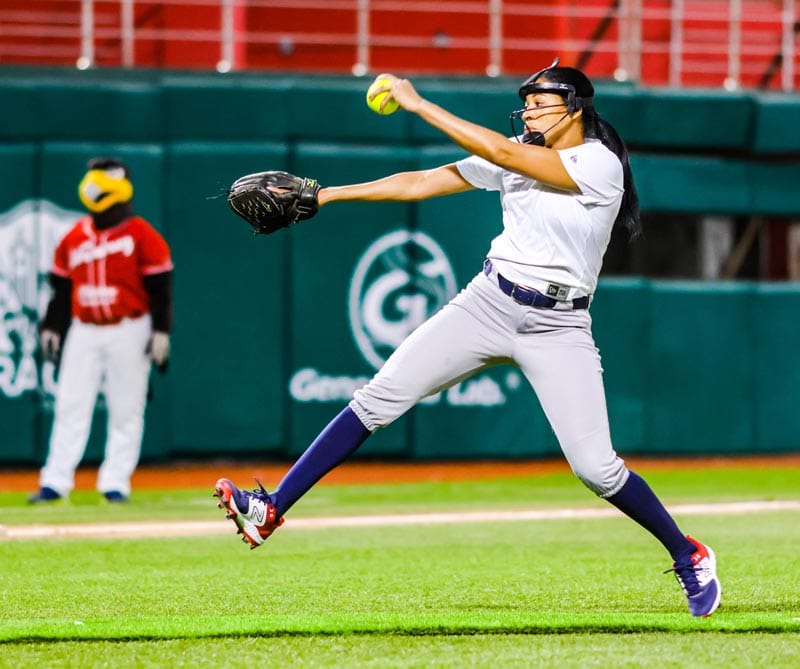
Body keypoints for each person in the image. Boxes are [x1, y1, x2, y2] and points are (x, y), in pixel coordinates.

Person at [213, 60, 721, 617]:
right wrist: (328, 194)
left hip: (559, 324)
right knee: (376, 399)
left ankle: (688, 553)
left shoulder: (597, 163)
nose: (527, 109)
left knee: (597, 469)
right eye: (524, 100)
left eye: (540, 100)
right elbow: (423, 181)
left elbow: (506, 157)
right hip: (488, 302)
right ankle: (270, 509)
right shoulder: (517, 149)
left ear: (575, 108)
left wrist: (418, 103)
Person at [29, 157, 174, 504]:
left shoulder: (141, 234)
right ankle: (55, 481)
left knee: (127, 406)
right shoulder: (74, 236)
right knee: (69, 403)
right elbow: (62, 290)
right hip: (85, 328)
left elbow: (160, 288)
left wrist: (161, 331)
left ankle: (115, 482)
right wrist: (52, 326)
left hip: (130, 327)